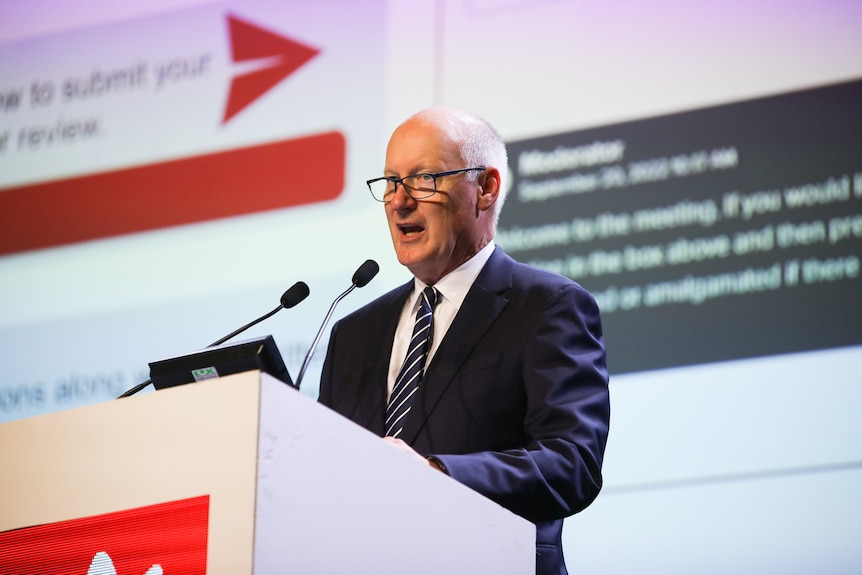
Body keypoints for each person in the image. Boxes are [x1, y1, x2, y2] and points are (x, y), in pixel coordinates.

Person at [318, 107, 610, 575]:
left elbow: (571, 463)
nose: (398, 201)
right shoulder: (352, 333)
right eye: (391, 182)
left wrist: (437, 475)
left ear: (486, 189)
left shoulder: (546, 306)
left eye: (423, 178)